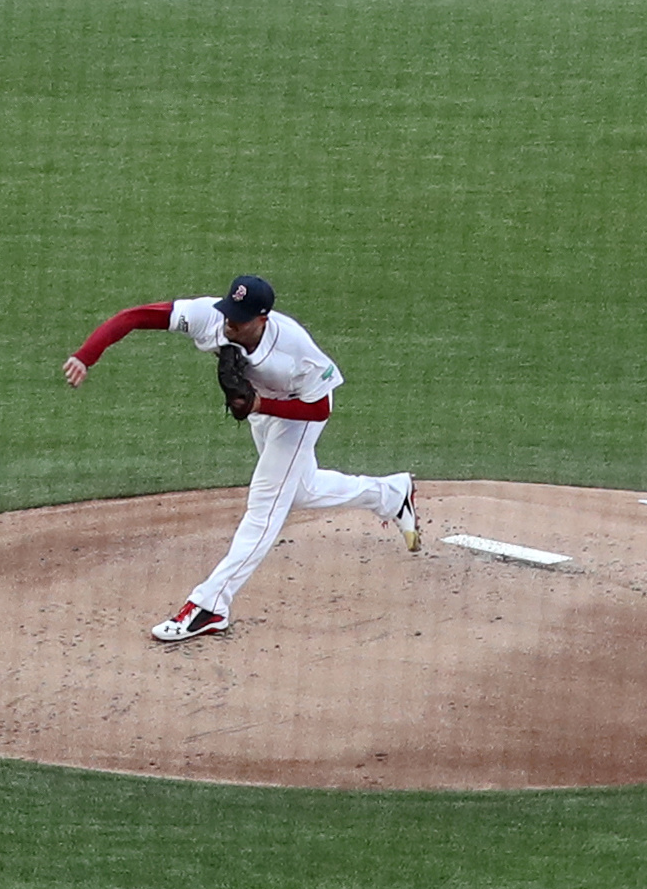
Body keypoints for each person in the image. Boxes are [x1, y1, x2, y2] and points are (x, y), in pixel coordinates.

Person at [60, 275, 421, 642]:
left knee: (265, 507)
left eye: (241, 318)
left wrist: (262, 404)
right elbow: (134, 317)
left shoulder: (293, 349)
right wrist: (86, 356)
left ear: (262, 319)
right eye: (230, 311)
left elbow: (319, 409)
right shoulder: (210, 315)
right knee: (300, 490)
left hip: (297, 412)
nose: (230, 322)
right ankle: (391, 494)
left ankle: (210, 606)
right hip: (261, 410)